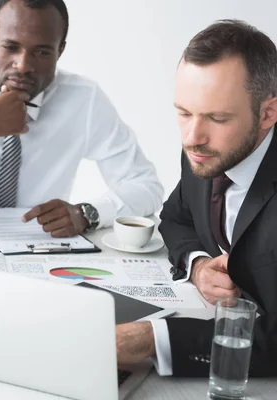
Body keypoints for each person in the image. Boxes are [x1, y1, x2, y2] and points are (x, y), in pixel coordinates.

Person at [0, 0, 163, 235]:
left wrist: (87, 213)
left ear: (60, 50)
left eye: (42, 52)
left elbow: (146, 186)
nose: (22, 65)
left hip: (41, 255)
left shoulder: (84, 100)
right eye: (11, 47)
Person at [116, 19, 277, 377]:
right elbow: (176, 217)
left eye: (217, 117)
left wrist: (152, 339)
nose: (192, 136)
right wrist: (199, 265)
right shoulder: (206, 150)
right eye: (184, 112)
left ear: (268, 113)